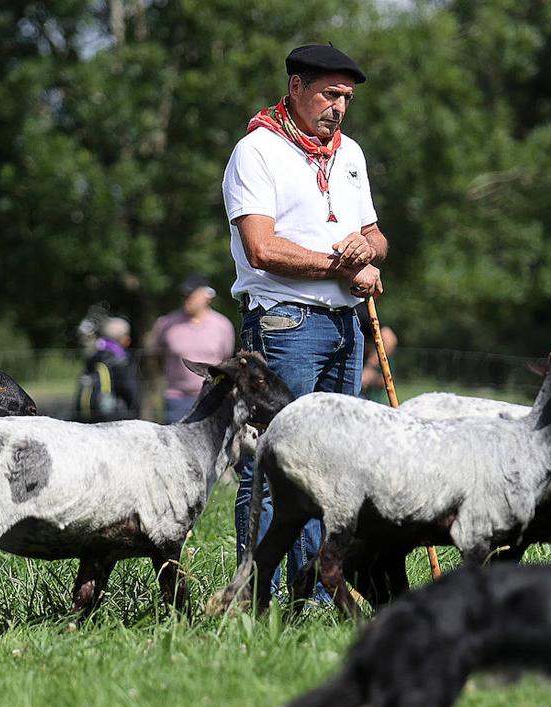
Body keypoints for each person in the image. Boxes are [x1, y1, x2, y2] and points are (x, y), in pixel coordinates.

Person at [223, 42, 388, 599]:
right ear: (296, 88)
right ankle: (256, 597)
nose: (339, 106)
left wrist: (366, 254)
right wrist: (343, 269)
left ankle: (318, 595)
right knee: (271, 468)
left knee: (336, 466)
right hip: (285, 324)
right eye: (329, 93)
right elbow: (261, 247)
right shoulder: (257, 151)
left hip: (345, 328)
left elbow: (376, 236)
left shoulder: (350, 154)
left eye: (347, 96)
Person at [151, 275, 237, 423]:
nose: (187, 298)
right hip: (176, 400)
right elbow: (157, 358)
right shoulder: (166, 324)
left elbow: (226, 360)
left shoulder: (223, 326)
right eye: (184, 294)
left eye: (192, 294)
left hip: (211, 396)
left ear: (207, 296)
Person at [75, 317, 141, 422]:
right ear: (124, 338)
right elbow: (129, 389)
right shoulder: (120, 358)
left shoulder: (93, 355)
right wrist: (136, 414)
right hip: (113, 416)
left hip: (89, 415)